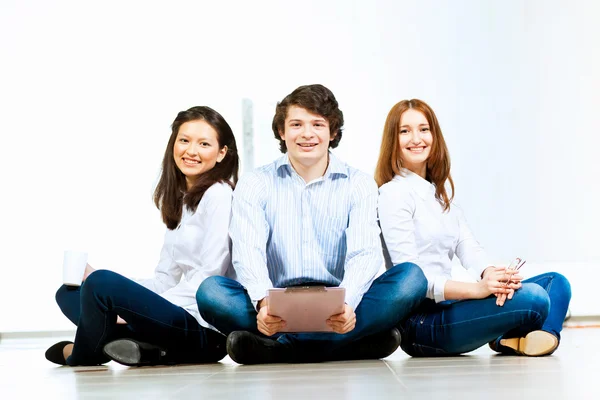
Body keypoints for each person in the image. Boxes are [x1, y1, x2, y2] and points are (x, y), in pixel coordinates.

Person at [196, 84, 427, 365]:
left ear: (333, 132)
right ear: (282, 132)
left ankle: (279, 348)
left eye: (317, 124)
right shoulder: (255, 183)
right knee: (211, 292)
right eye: (296, 124)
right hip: (276, 300)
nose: (307, 134)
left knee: (411, 279)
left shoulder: (359, 183)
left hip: (338, 299)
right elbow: (248, 251)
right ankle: (348, 345)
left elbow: (365, 254)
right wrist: (263, 303)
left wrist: (348, 304)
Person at [375, 99, 571, 357]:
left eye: (424, 129)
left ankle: (523, 339)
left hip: (452, 305)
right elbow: (412, 281)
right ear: (393, 140)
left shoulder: (440, 197)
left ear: (434, 136)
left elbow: (469, 249)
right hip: (421, 323)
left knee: (556, 284)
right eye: (405, 131)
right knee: (534, 298)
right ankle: (513, 335)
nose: (416, 138)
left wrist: (493, 276)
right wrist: (479, 290)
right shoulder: (393, 194)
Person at [45, 106, 239, 366]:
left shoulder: (219, 194)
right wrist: (97, 281)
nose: (191, 151)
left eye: (204, 144)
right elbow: (164, 280)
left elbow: (209, 278)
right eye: (184, 140)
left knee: (102, 285)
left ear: (221, 153)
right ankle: (142, 348)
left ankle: (80, 354)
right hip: (172, 319)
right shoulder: (180, 201)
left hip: (203, 330)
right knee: (69, 292)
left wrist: (131, 310)